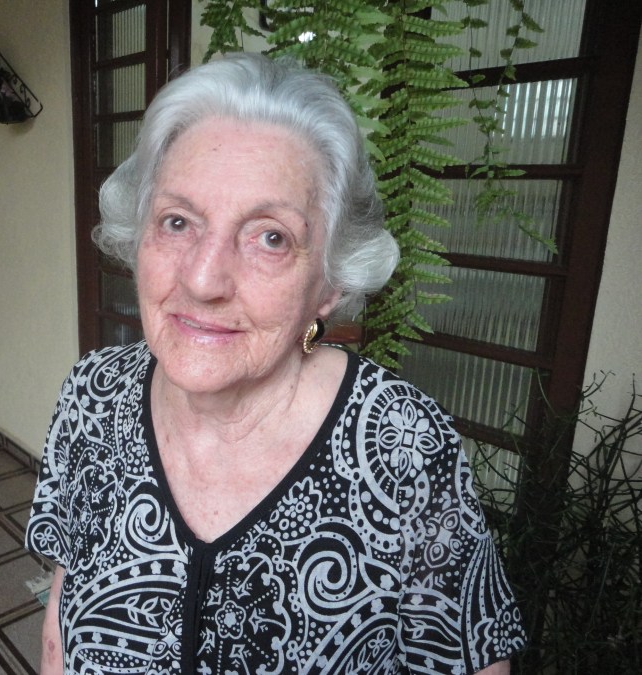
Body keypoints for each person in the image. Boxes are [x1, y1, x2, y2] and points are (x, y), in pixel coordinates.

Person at [26, 52, 525, 674]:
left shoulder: (404, 447)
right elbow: (61, 621)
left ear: (330, 283)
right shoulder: (93, 394)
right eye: (177, 222)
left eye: (270, 237)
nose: (203, 279)